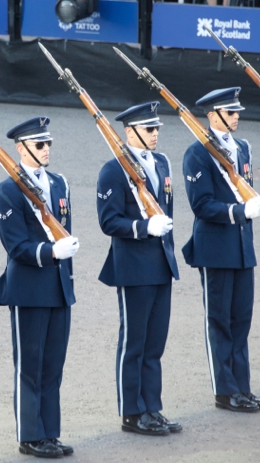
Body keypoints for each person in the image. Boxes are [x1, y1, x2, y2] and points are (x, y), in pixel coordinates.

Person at [0, 117, 79, 458]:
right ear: (21, 148)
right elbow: (15, 245)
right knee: (30, 365)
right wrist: (51, 251)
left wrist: (64, 256)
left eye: (48, 144)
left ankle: (49, 432)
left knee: (53, 365)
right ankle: (30, 436)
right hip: (29, 287)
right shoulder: (8, 190)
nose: (46, 150)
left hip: (58, 286)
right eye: (39, 145)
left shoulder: (59, 183)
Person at [182, 88, 260, 412]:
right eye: (230, 113)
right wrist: (238, 212)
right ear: (212, 114)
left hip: (242, 247)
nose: (236, 117)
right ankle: (224, 390)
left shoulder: (242, 148)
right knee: (219, 321)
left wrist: (251, 206)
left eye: (236, 111)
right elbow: (202, 204)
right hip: (215, 247)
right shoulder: (197, 153)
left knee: (241, 320)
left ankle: (242, 387)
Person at [97, 102, 181, 435]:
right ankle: (132, 412)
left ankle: (152, 407)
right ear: (130, 131)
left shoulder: (162, 163)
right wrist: (144, 228)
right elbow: (108, 220)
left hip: (161, 263)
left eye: (157, 128)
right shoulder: (114, 170)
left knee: (155, 343)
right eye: (149, 129)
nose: (155, 134)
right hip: (133, 266)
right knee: (134, 342)